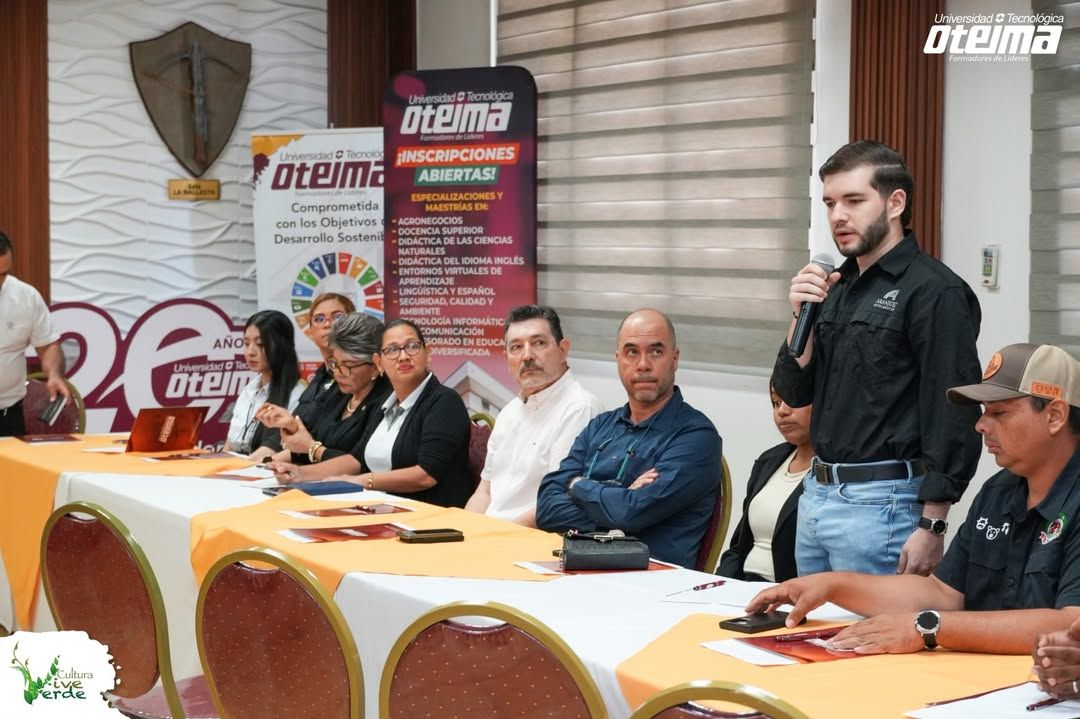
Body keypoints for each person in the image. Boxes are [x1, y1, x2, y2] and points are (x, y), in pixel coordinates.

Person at [746, 343, 1080, 655]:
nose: (980, 425)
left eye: (1000, 413)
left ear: (1055, 416)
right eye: (983, 412)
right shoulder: (1000, 490)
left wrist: (927, 628)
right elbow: (942, 593)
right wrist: (831, 585)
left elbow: (1071, 624)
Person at [774, 140, 982, 577]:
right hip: (817, 493)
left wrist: (933, 522)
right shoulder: (835, 286)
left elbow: (953, 412)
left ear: (895, 203)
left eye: (853, 201)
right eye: (830, 203)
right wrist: (799, 315)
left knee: (870, 625)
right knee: (808, 623)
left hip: (883, 504)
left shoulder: (934, 291)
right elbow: (794, 391)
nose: (838, 216)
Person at [535, 308, 722, 568]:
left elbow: (630, 512)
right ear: (618, 359)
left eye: (656, 352)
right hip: (578, 571)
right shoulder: (599, 426)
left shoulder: (696, 437)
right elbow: (546, 507)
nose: (643, 364)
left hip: (652, 581)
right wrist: (619, 503)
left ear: (675, 358)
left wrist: (577, 485)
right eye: (632, 352)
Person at [272, 319, 473, 508]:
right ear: (379, 362)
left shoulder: (444, 401)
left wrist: (363, 481)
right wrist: (300, 473)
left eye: (412, 346)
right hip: (380, 508)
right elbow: (356, 460)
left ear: (427, 353)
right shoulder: (387, 405)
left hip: (427, 513)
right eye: (392, 350)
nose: (403, 356)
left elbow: (426, 475)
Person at [464, 305, 603, 526]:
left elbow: (559, 500)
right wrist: (465, 530)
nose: (527, 356)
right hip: (491, 533)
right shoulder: (509, 411)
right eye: (516, 347)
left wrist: (496, 537)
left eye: (538, 343)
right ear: (506, 357)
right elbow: (485, 491)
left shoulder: (579, 409)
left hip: (533, 536)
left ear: (563, 349)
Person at [256, 312, 390, 465]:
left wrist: (313, 449)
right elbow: (307, 443)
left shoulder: (386, 402)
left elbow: (359, 464)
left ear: (375, 365)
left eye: (347, 366)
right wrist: (290, 426)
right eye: (334, 363)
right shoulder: (336, 393)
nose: (338, 373)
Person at [717, 379, 812, 582]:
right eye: (776, 402)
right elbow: (738, 546)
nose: (782, 411)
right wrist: (722, 584)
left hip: (786, 593)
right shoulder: (769, 460)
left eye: (793, 400)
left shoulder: (839, 474)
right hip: (742, 586)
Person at [0, 232, 71, 437]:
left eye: (3, 274)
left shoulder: (26, 296)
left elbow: (48, 345)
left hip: (8, 416)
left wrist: (54, 374)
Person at [223, 309, 303, 461]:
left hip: (263, 470)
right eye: (246, 343)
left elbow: (277, 450)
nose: (250, 352)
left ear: (282, 346)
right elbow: (230, 444)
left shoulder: (298, 395)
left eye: (260, 344)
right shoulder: (249, 390)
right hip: (236, 468)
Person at [292, 292, 356, 426]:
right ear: (310, 331)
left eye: (337, 317)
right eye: (319, 319)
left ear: (353, 324)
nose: (327, 324)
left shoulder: (360, 376)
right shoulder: (319, 377)